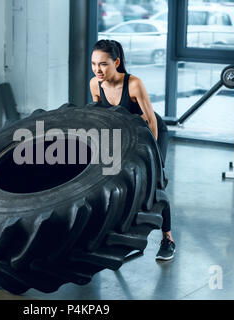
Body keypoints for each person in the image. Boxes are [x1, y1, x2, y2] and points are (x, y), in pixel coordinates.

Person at [89, 39, 175, 261]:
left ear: (116, 62)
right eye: (94, 63)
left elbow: (152, 122)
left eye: (104, 64)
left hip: (152, 132)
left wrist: (152, 158)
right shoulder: (94, 84)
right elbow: (102, 119)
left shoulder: (134, 84)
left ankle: (167, 239)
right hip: (124, 135)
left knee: (156, 181)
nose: (98, 69)